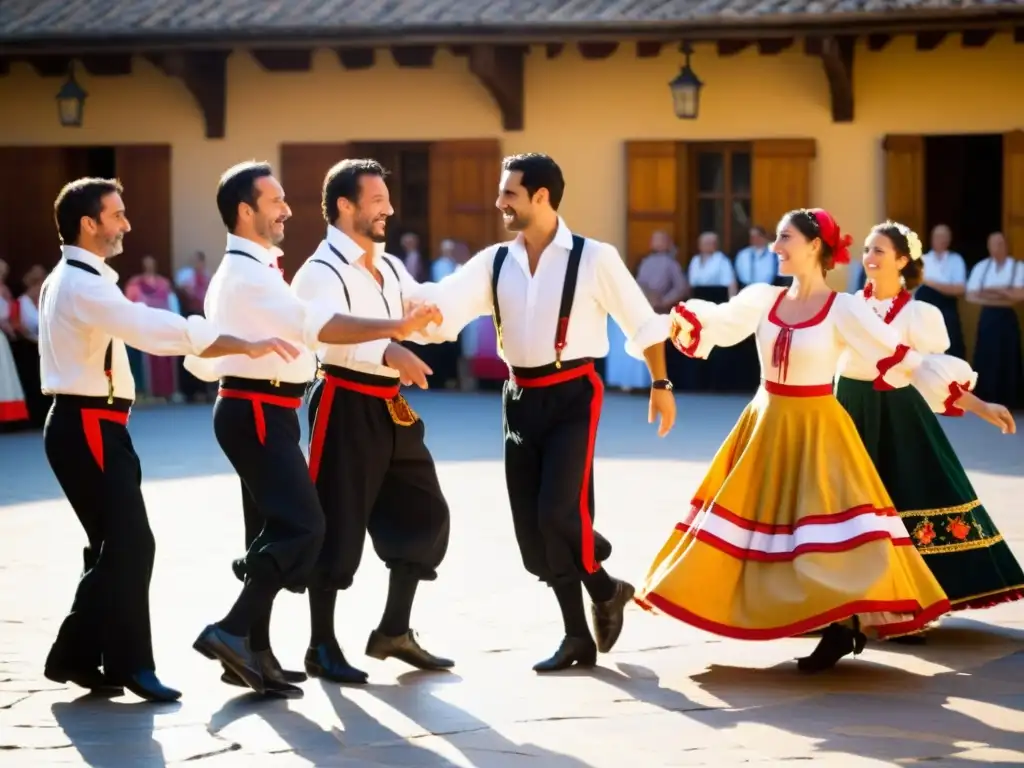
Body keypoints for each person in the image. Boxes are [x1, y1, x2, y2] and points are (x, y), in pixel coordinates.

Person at [636, 208, 980, 673]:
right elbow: (711, 324)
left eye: (785, 239)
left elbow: (906, 359)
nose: (776, 248)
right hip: (764, 423)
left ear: (815, 246)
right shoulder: (762, 299)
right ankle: (748, 605)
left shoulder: (844, 308)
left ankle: (843, 627)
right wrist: (647, 324)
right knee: (754, 529)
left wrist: (978, 404)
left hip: (819, 428)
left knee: (824, 534)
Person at [184, 161, 441, 697]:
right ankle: (250, 635)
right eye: (275, 201)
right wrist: (394, 334)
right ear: (244, 210)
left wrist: (440, 309)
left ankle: (255, 650)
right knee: (313, 526)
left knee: (297, 526)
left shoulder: (270, 269)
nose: (287, 210)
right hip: (283, 404)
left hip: (291, 406)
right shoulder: (272, 273)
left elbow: (420, 305)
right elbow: (317, 328)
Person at [411, 153, 676, 671]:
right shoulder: (494, 261)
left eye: (508, 193)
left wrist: (660, 383)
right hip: (518, 396)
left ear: (540, 197)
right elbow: (444, 307)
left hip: (574, 393)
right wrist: (400, 313)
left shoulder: (594, 257)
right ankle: (584, 624)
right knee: (535, 533)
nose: (498, 202)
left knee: (560, 512)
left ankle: (597, 582)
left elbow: (642, 322)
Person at [40, 177, 300, 703]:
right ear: (89, 224)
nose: (126, 224)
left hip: (92, 424)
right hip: (88, 424)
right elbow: (146, 327)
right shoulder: (81, 284)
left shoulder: (74, 277)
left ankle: (81, 655)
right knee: (132, 544)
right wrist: (233, 343)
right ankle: (130, 665)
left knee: (113, 547)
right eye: (117, 215)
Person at [281, 158, 453, 685]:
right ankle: (320, 645)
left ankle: (394, 631)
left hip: (390, 405)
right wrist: (389, 345)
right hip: (344, 399)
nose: (389, 210)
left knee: (427, 513)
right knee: (339, 521)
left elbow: (414, 312)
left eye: (387, 200)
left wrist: (431, 320)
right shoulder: (319, 270)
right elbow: (324, 330)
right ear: (345, 207)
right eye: (377, 201)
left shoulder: (391, 265)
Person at [835, 221, 1021, 638]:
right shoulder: (846, 306)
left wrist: (979, 405)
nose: (870, 257)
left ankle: (909, 602)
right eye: (867, 249)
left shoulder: (919, 315)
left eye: (880, 250)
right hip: (847, 411)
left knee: (907, 500)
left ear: (902, 260)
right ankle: (841, 604)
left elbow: (929, 370)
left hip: (897, 417)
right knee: (844, 507)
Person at [965, 231, 1024, 410]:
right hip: (988, 317)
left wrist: (990, 291)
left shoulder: (1018, 267)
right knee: (987, 356)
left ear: (1007, 246)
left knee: (1008, 357)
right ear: (989, 247)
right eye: (994, 244)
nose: (998, 248)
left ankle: (1010, 400)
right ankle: (986, 398)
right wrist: (1004, 292)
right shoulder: (981, 267)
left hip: (1008, 316)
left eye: (1001, 244)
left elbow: (1018, 296)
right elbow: (971, 296)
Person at [917, 224, 967, 359]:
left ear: (949, 239)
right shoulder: (922, 261)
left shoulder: (956, 260)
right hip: (925, 315)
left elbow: (960, 289)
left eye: (944, 236)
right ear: (932, 239)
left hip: (947, 313)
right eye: (938, 236)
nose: (941, 239)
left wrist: (930, 283)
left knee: (951, 354)